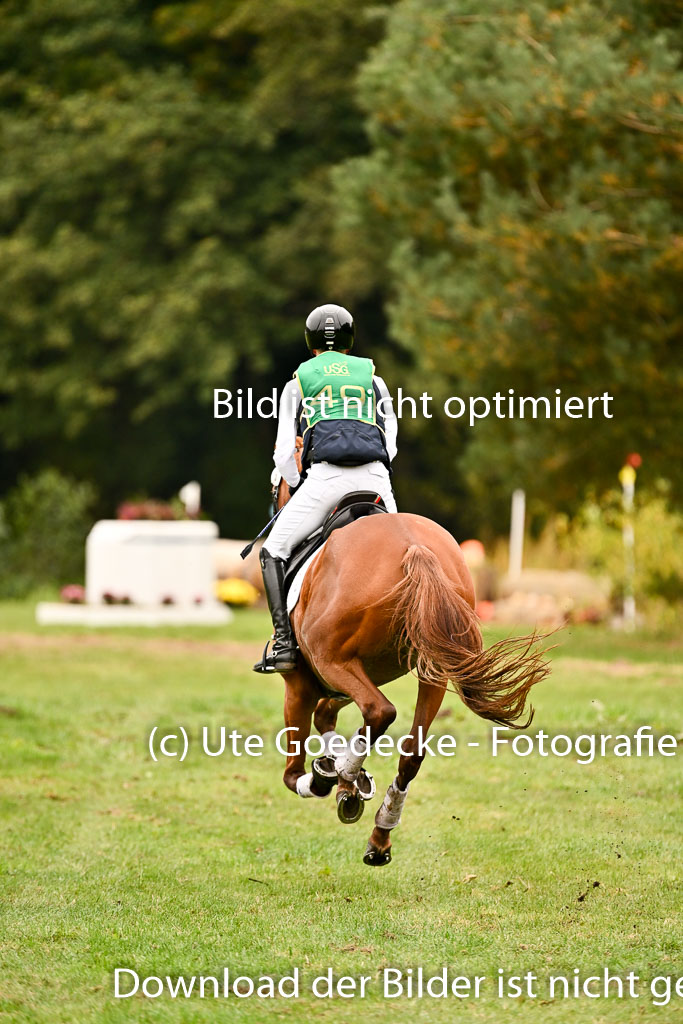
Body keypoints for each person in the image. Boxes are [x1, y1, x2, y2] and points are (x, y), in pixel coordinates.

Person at [255, 303, 397, 673]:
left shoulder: (298, 383)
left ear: (310, 342)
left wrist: (298, 482)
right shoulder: (374, 379)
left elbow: (284, 454)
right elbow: (391, 444)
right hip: (377, 481)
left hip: (325, 480)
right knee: (405, 553)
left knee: (272, 550)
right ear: (350, 341)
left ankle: (284, 645)